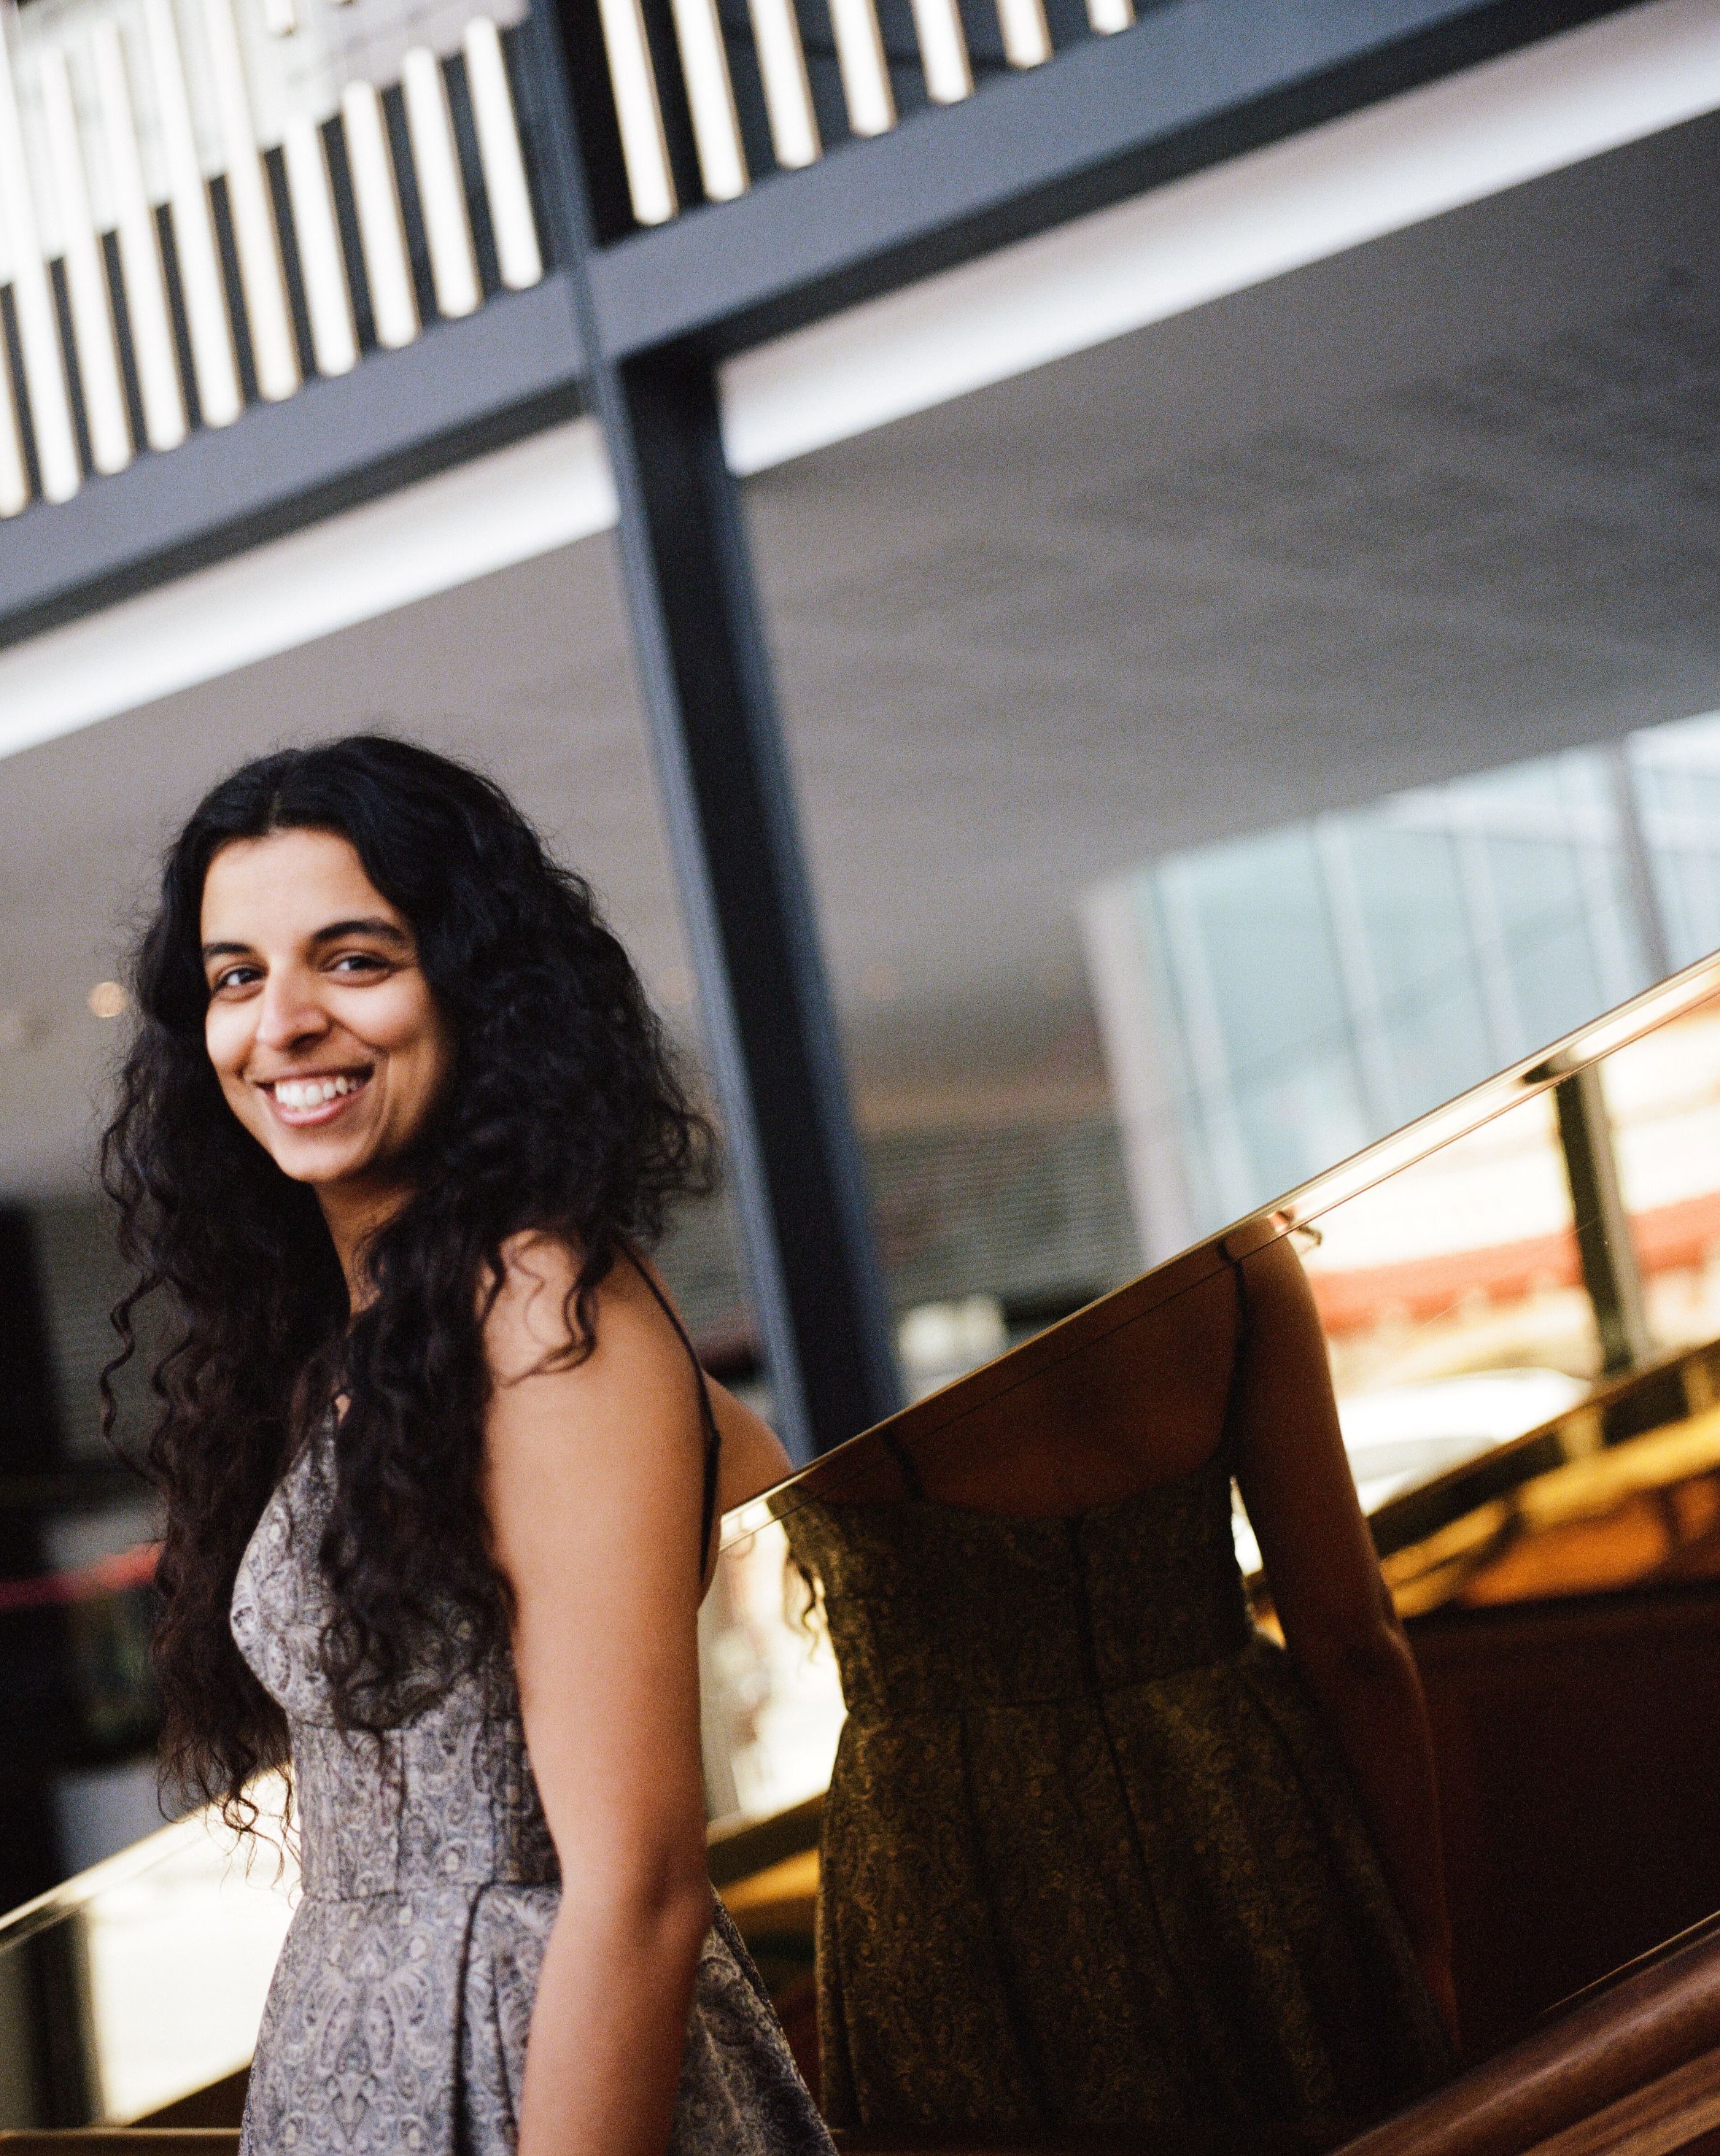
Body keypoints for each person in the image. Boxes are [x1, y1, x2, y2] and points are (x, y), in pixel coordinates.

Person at [101, 736, 832, 2156]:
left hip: (526, 2059)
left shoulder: (539, 1304)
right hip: (358, 2046)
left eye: (354, 959)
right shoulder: (378, 1328)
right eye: (237, 975)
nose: (283, 1021)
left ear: (477, 990)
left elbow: (639, 1886)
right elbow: (747, 1471)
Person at [786, 1229, 1458, 2139]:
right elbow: (1352, 1642)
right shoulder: (1234, 1263)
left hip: (947, 1852)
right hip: (1232, 1806)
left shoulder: (811, 1297)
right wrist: (1423, 1948)